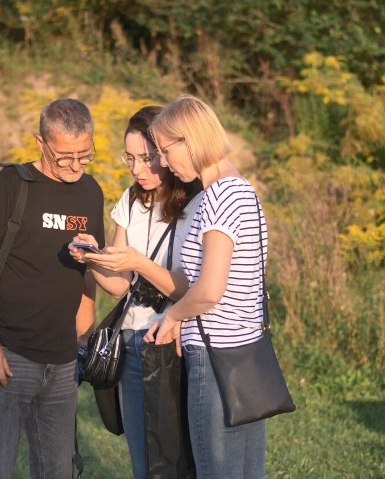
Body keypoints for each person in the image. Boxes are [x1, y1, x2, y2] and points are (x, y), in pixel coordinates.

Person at [0, 98, 105, 479]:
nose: (75, 167)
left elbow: (89, 271)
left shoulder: (90, 192)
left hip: (62, 362)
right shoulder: (10, 185)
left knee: (59, 472)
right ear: (40, 143)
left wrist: (83, 338)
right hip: (8, 355)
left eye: (85, 156)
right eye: (64, 158)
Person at [69, 105, 202, 479]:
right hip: (131, 342)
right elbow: (120, 287)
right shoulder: (129, 202)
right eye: (129, 158)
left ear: (166, 151)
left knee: (179, 457)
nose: (137, 169)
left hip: (174, 343)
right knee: (144, 460)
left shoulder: (195, 203)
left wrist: (139, 262)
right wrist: (93, 259)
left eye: (147, 159)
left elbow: (188, 287)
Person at [145, 95, 269, 478]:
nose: (163, 162)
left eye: (166, 150)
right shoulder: (243, 192)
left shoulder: (216, 199)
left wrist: (172, 316)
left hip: (215, 361)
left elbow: (211, 289)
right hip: (248, 355)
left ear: (191, 140)